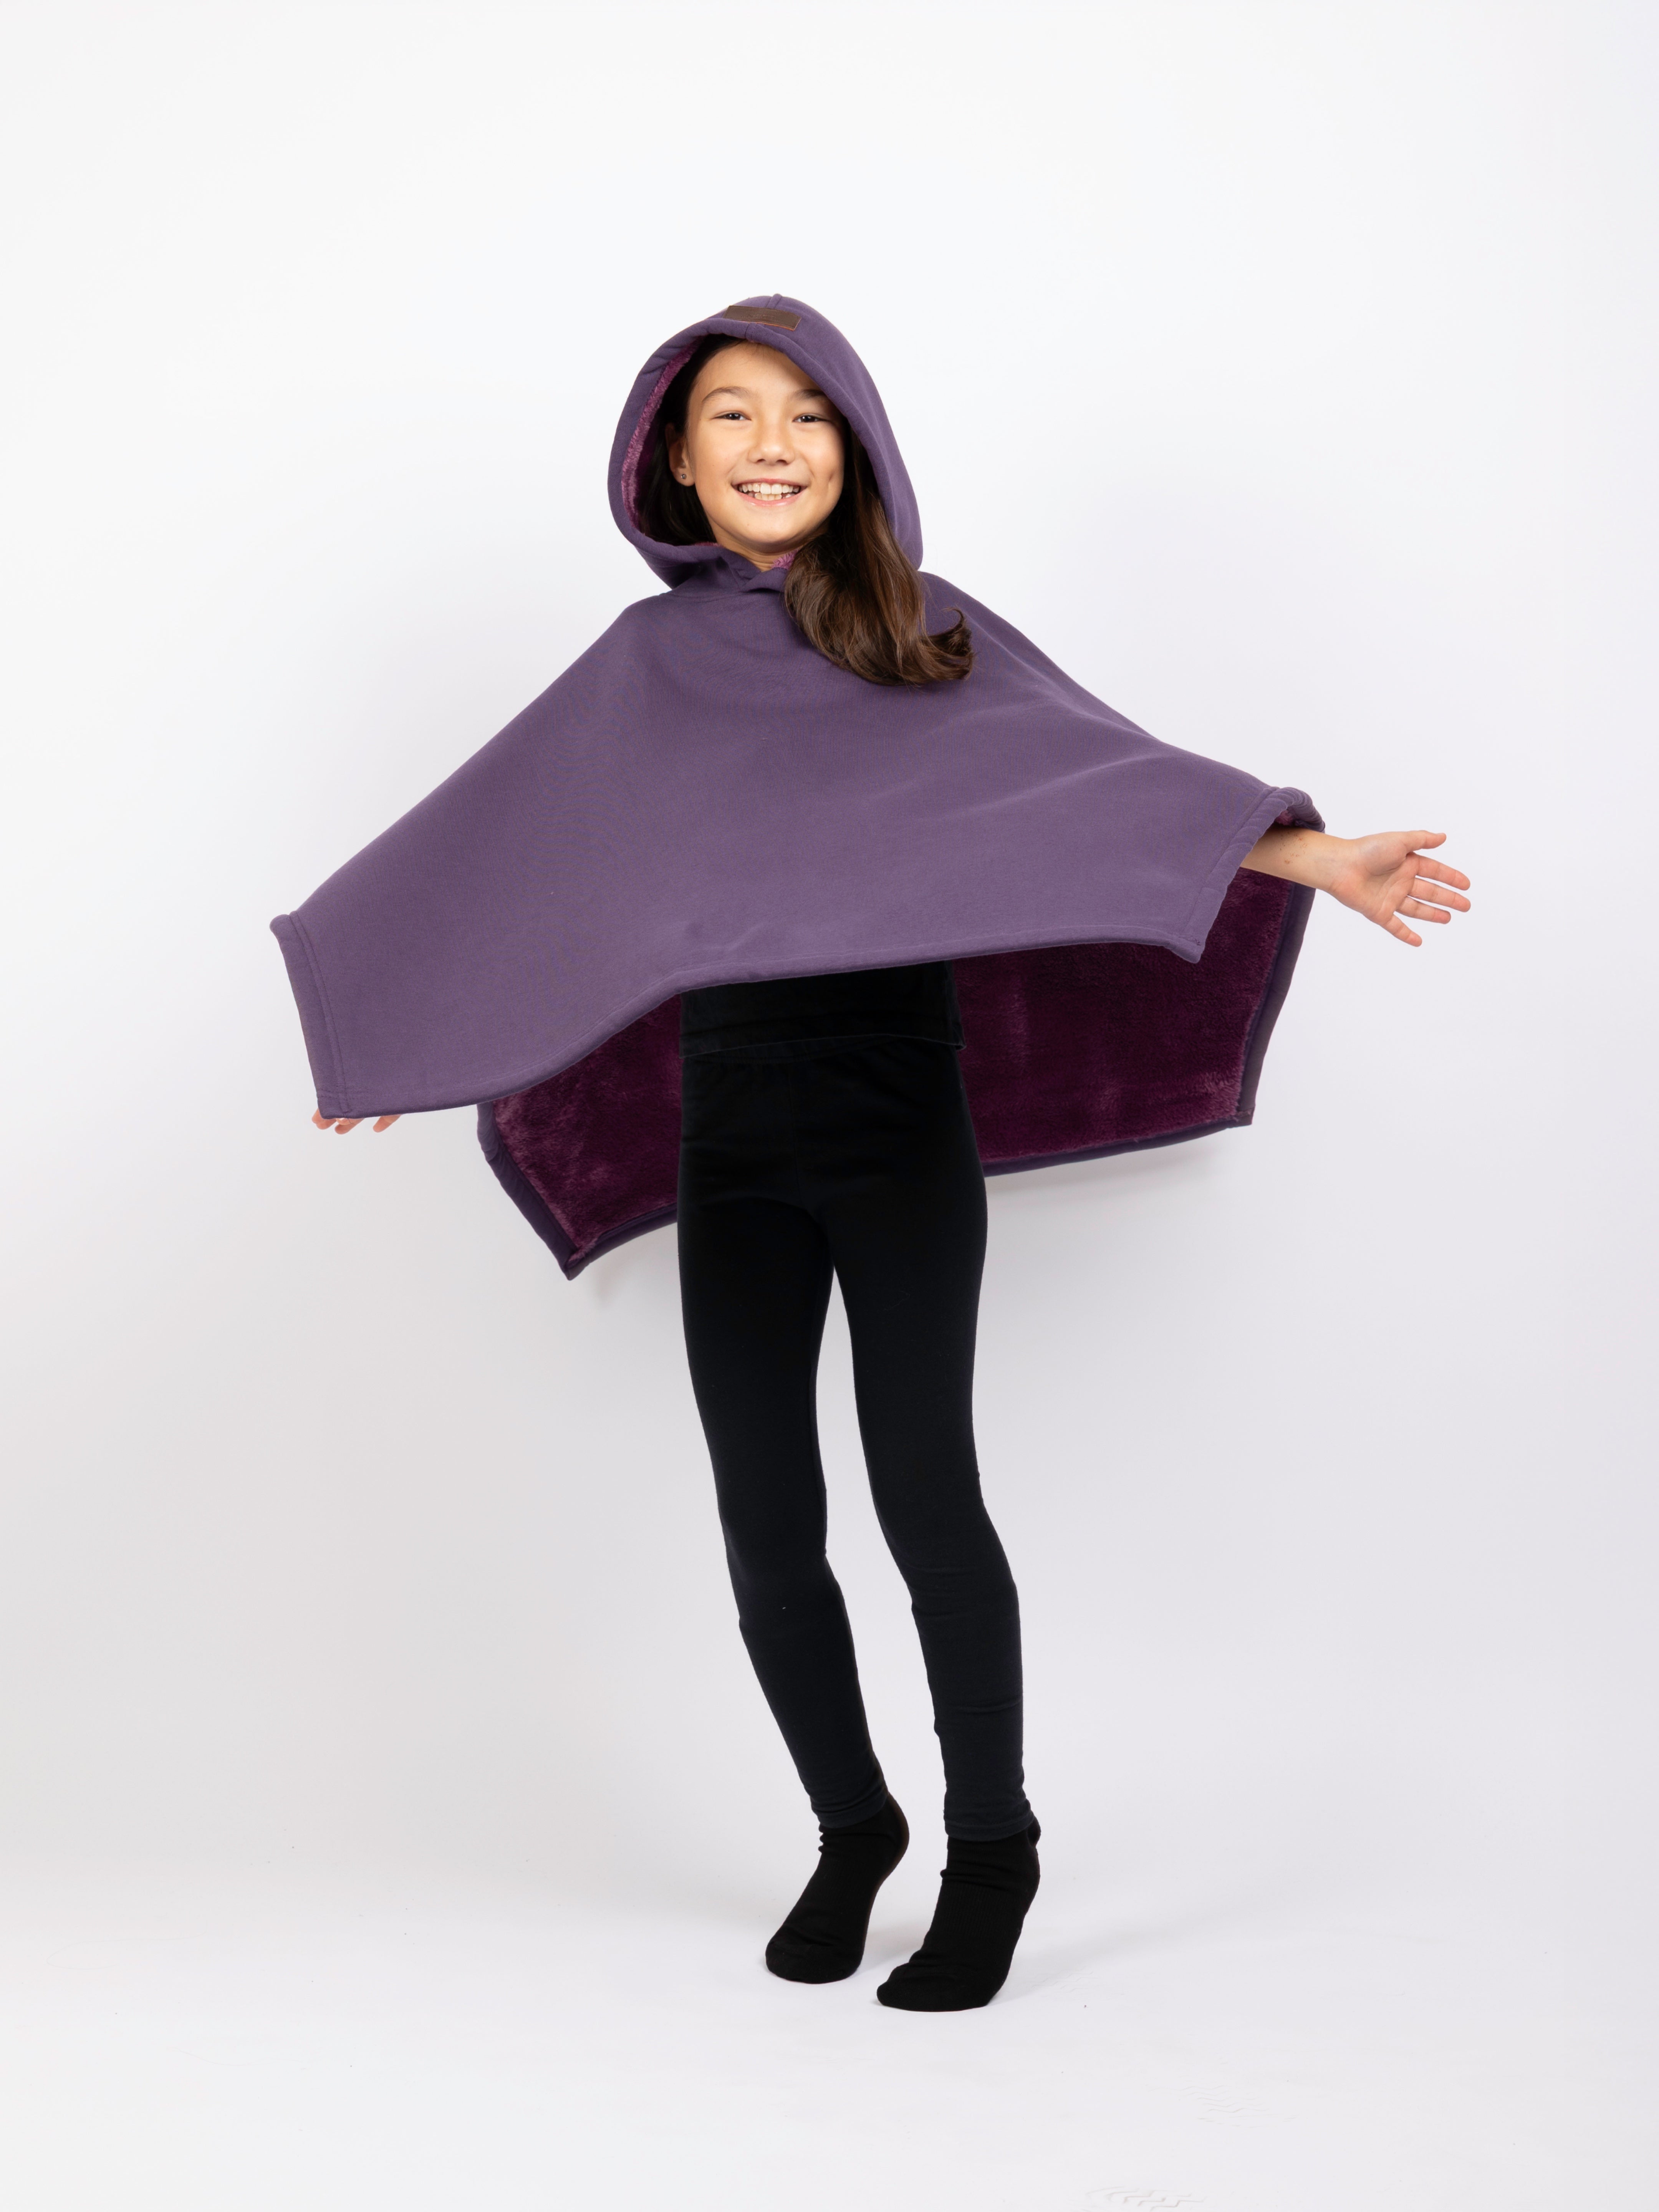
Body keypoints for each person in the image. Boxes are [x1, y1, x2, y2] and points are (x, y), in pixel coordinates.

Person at [286, 299, 1470, 2013]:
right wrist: (399, 1031)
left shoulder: (925, 632)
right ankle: (855, 1832)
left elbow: (1100, 789)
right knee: (767, 1522)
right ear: (676, 457)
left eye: (807, 415)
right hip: (734, 1137)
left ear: (854, 447)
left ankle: (992, 1850)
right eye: (733, 415)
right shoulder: (641, 669)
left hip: (899, 1123)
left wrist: (1313, 854)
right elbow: (513, 857)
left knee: (926, 1496)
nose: (772, 445)